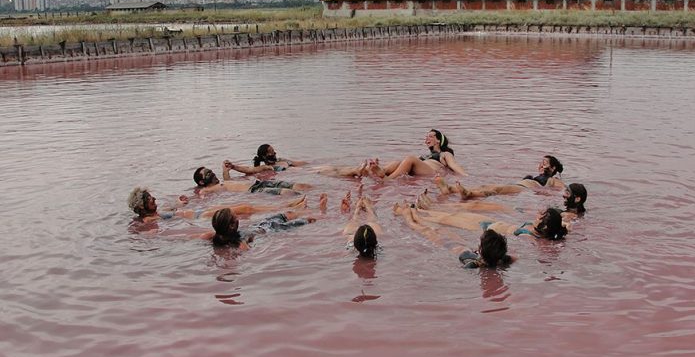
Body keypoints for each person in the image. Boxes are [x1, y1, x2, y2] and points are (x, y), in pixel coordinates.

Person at [392, 201, 515, 268]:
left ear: (481, 249)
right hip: (459, 245)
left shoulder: (473, 264)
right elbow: (515, 259)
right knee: (433, 228)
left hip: (451, 246)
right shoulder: (501, 259)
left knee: (426, 230)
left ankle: (407, 215)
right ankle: (415, 214)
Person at [316, 129, 467, 180]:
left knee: (409, 158)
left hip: (433, 171)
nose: (426, 138)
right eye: (426, 136)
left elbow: (454, 166)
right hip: (418, 169)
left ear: (438, 140)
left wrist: (467, 177)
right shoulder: (424, 156)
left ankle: (386, 180)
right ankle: (374, 171)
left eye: (430, 136)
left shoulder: (445, 154)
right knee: (397, 162)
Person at [127, 186, 307, 223]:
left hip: (199, 212)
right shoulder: (147, 221)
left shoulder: (155, 214)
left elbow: (173, 210)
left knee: (244, 207)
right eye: (150, 199)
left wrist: (180, 203)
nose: (154, 199)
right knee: (245, 209)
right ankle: (289, 208)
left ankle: (289, 207)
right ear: (141, 207)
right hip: (200, 217)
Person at [435, 155, 565, 200]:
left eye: (545, 163)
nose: (541, 165)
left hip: (522, 189)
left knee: (496, 189)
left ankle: (469, 194)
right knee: (486, 186)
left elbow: (564, 189)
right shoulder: (538, 176)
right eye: (540, 163)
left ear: (553, 168)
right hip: (518, 187)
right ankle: (450, 189)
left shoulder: (553, 179)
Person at [412, 205, 568, 241]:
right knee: (455, 214)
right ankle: (421, 210)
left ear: (545, 226)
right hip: (491, 223)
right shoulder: (534, 228)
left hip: (483, 229)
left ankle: (414, 215)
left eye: (540, 216)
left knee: (446, 221)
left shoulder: (532, 237)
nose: (537, 215)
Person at [202, 205, 318, 248]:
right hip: (271, 229)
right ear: (232, 226)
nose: (238, 218)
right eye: (236, 216)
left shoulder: (215, 235)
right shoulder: (240, 242)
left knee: (287, 214)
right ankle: (321, 212)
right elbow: (246, 250)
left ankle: (309, 208)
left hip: (260, 225)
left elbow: (194, 237)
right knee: (306, 220)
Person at [193, 162, 311, 196]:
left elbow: (228, 181)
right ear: (202, 182)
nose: (212, 173)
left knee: (298, 185)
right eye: (208, 173)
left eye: (211, 171)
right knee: (287, 192)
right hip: (254, 190)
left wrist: (227, 169)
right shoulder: (208, 190)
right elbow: (198, 197)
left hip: (260, 183)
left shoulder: (223, 183)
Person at [342, 193, 382, 258]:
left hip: (352, 244)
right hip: (363, 244)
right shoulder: (378, 247)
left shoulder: (350, 247)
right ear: (375, 242)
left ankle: (357, 210)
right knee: (372, 223)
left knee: (349, 231)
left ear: (356, 244)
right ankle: (368, 208)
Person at [227, 144, 308, 175]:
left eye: (274, 150)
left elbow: (298, 163)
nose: (275, 153)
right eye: (272, 152)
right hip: (294, 173)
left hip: (301, 172)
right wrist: (233, 166)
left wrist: (311, 163)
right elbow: (248, 169)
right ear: (265, 156)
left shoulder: (281, 160)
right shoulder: (264, 167)